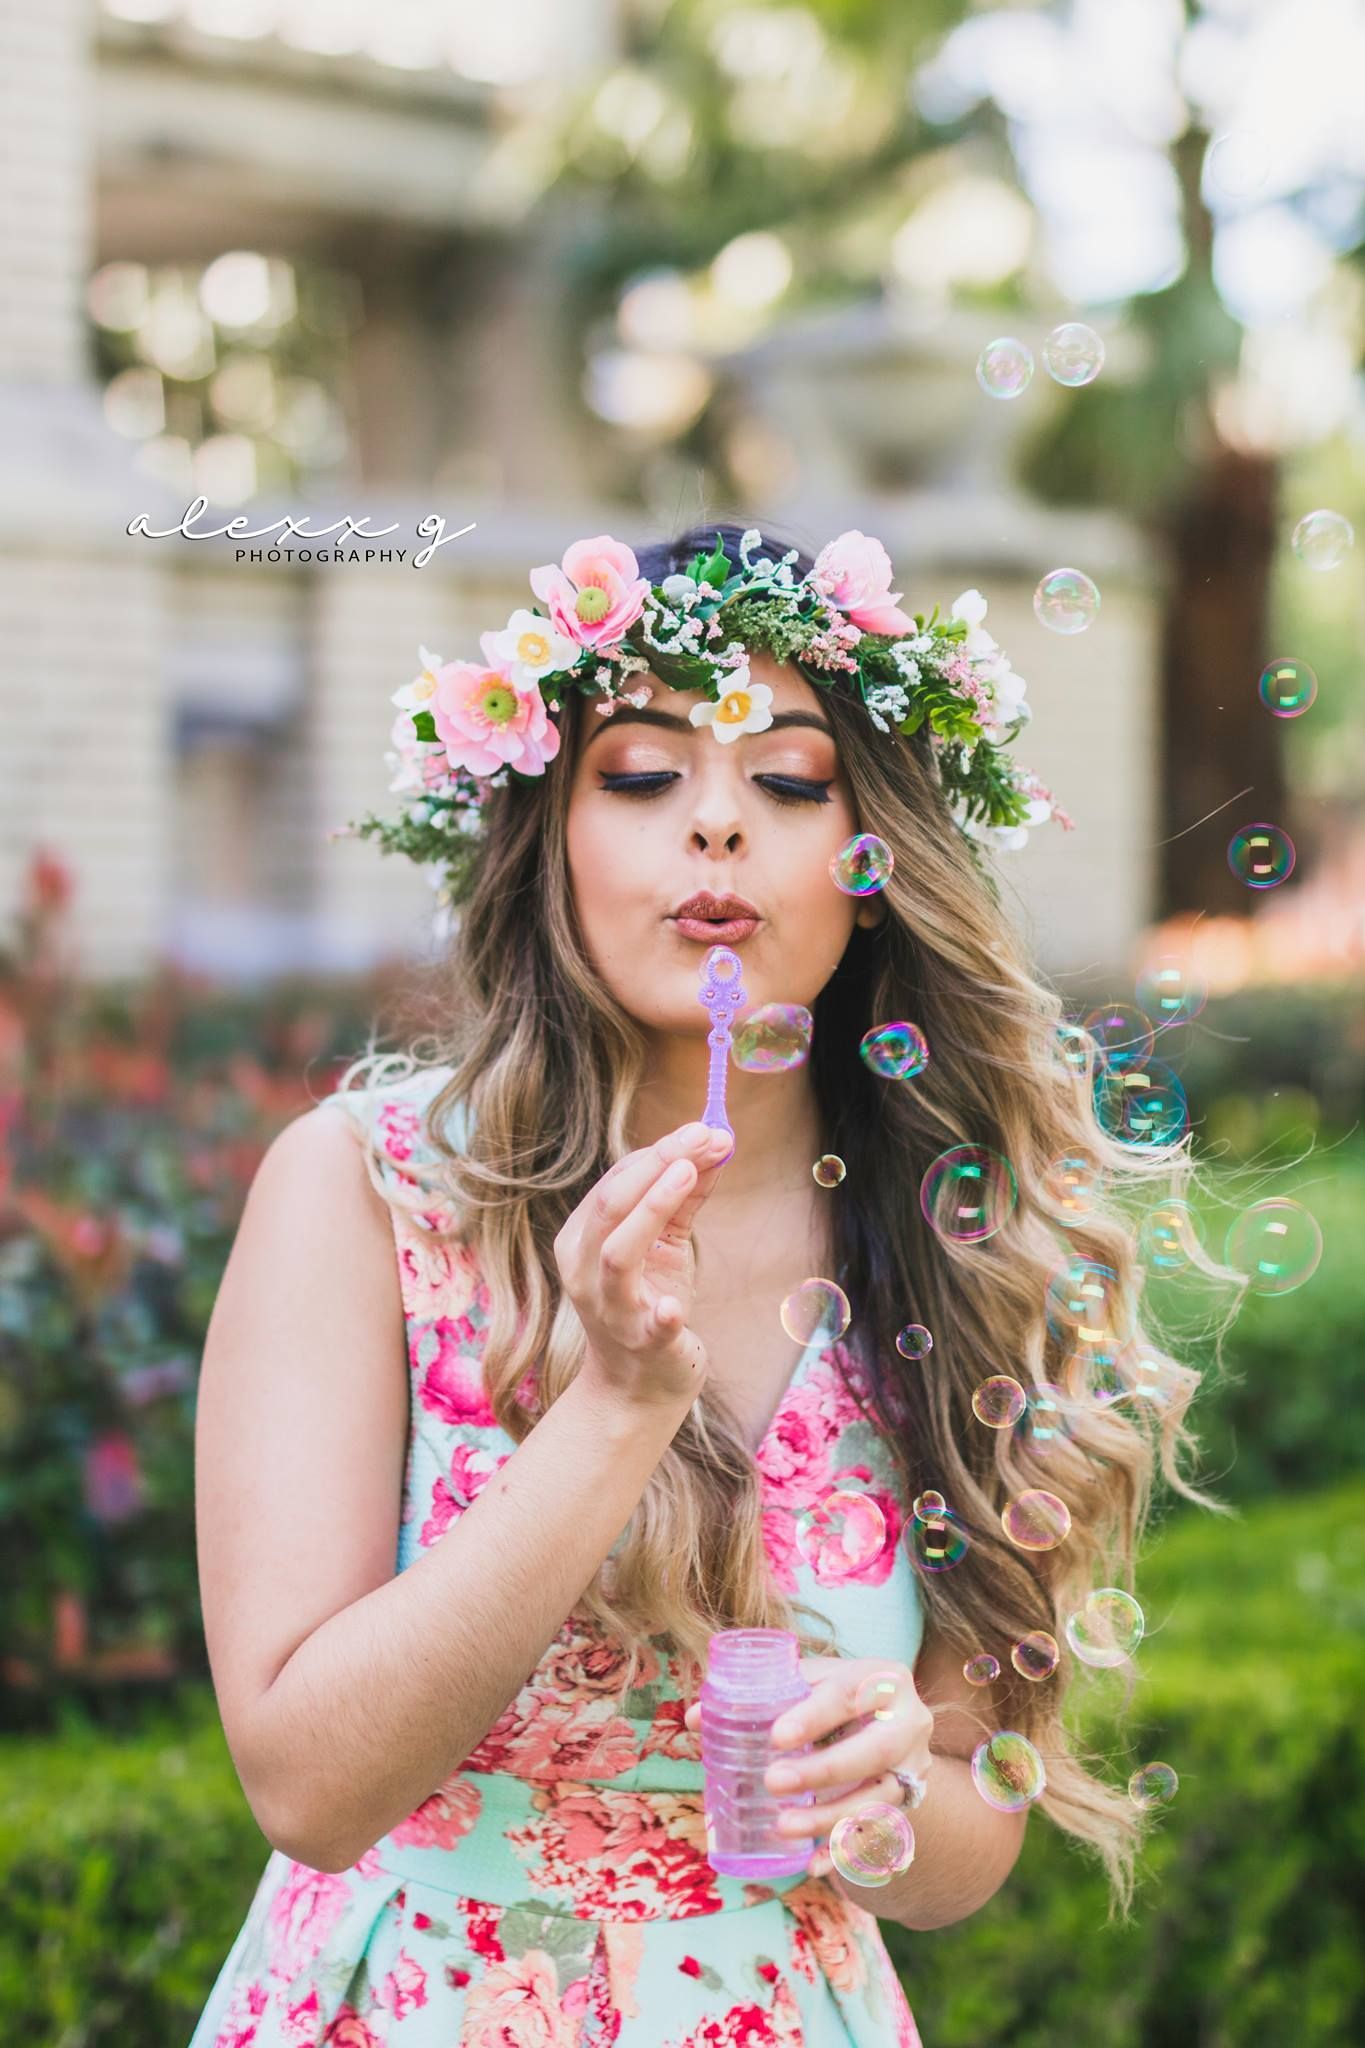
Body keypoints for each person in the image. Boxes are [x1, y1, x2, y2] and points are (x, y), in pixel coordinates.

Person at [187, 523, 1220, 2046]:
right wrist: (614, 1405)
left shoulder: (970, 1248)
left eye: (791, 781)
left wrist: (882, 1798)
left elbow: (966, 1840)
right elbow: (305, 1785)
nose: (717, 828)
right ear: (549, 839)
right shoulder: (362, 1192)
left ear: (875, 868)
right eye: (642, 773)